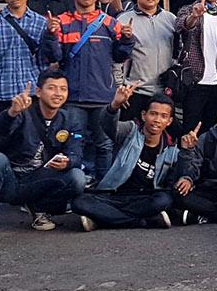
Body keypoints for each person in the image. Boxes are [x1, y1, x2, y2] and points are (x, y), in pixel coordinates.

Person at [0, 70, 87, 248]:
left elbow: (76, 154)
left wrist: (68, 161)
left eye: (63, 89)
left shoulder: (69, 119)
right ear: (38, 92)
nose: (58, 93)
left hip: (38, 180)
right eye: (52, 88)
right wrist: (11, 113)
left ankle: (40, 210)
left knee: (77, 177)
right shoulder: (22, 111)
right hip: (10, 180)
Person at [41, 0, 133, 178]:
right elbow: (54, 56)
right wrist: (51, 35)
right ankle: (74, 186)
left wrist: (127, 40)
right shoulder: (61, 22)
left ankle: (104, 189)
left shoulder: (110, 23)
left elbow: (120, 57)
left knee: (104, 145)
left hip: (103, 97)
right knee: (72, 145)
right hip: (73, 97)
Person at [72, 94, 182, 230]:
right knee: (79, 202)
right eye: (153, 114)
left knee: (163, 200)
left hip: (144, 198)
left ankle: (102, 219)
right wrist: (114, 106)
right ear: (144, 115)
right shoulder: (130, 130)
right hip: (114, 195)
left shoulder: (171, 149)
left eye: (163, 116)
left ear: (169, 121)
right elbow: (108, 126)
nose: (157, 120)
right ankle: (143, 222)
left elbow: (174, 181)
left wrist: (188, 152)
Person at [175, 0, 217, 134]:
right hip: (195, 81)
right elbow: (181, 25)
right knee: (190, 130)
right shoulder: (188, 10)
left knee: (213, 132)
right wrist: (194, 16)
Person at [115, 0, 176, 121]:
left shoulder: (171, 19)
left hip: (164, 92)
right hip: (134, 90)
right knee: (129, 131)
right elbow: (115, 60)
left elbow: (178, 52)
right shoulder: (123, 20)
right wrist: (119, 87)